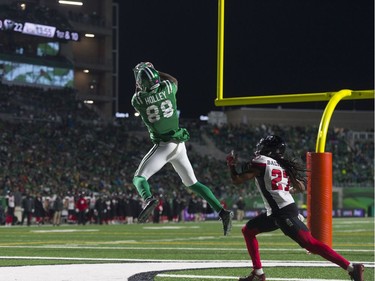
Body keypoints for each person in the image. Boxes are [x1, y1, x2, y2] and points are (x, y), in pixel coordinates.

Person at [226, 135, 364, 281]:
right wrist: (285, 188)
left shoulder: (261, 161)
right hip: (277, 211)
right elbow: (301, 187)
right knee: (248, 230)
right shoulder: (281, 165)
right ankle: (258, 273)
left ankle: (351, 268)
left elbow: (237, 180)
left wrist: (231, 165)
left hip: (282, 213)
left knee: (310, 243)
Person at [131, 62, 233, 235]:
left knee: (139, 178)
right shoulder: (168, 87)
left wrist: (142, 78)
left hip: (164, 146)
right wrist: (155, 71)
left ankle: (148, 199)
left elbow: (139, 92)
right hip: (179, 145)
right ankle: (222, 212)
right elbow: (173, 79)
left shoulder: (138, 100)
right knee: (193, 183)